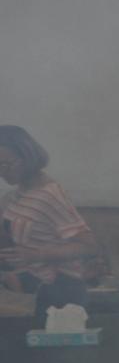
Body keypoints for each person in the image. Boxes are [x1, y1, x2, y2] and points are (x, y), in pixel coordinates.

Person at [0, 125, 103, 306]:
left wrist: (38, 255)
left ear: (27, 156)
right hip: (35, 289)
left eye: (6, 164)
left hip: (60, 293)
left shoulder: (49, 195)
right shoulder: (16, 195)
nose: (2, 171)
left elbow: (89, 246)